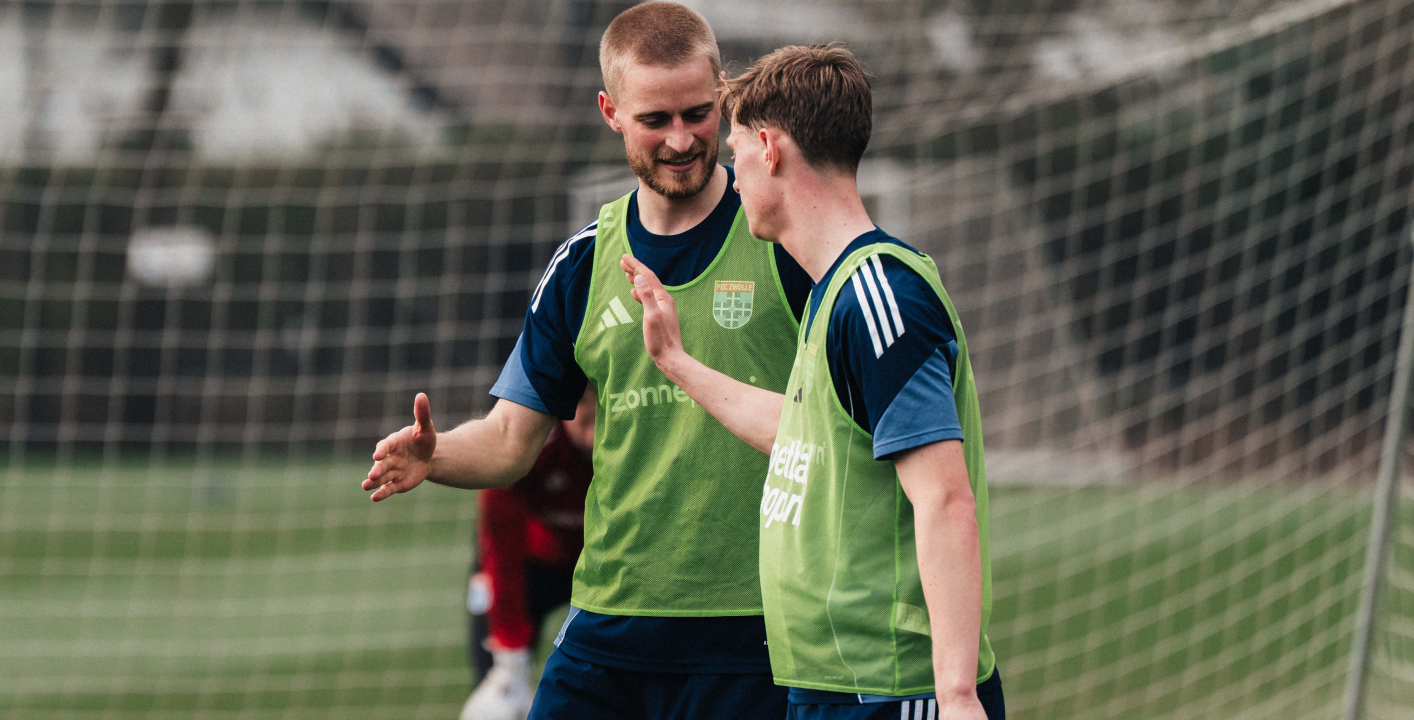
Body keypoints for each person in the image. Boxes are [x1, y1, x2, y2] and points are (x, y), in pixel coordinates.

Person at [365, 4, 812, 717]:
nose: (681, 139)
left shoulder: (788, 240)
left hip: (754, 631)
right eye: (654, 120)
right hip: (609, 623)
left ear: (725, 96)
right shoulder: (582, 264)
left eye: (698, 113)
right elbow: (511, 442)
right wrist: (436, 455)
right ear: (610, 111)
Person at [620, 44, 1005, 720]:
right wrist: (676, 361)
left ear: (769, 147)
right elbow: (804, 437)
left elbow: (946, 500)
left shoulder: (881, 296)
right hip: (832, 688)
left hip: (894, 692)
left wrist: (956, 694)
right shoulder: (836, 295)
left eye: (736, 152)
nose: (732, 178)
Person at [460, 390, 593, 720]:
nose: (593, 428)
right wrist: (509, 657)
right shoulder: (529, 445)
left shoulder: (636, 443)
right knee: (497, 697)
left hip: (601, 567)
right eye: (584, 412)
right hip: (530, 563)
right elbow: (501, 549)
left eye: (601, 412)